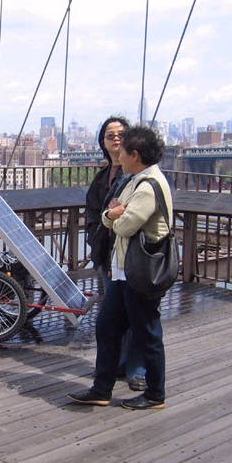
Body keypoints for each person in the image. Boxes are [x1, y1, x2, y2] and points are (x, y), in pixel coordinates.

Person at [69, 124, 172, 410]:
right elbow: (112, 212)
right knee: (107, 326)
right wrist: (112, 213)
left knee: (147, 332)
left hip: (140, 274)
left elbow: (124, 226)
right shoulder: (135, 180)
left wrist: (113, 215)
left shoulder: (148, 186)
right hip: (123, 271)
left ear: (135, 155)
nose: (119, 155)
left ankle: (155, 394)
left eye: (124, 151)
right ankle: (102, 388)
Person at [84, 117, 145, 390]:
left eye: (121, 134)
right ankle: (120, 365)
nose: (116, 139)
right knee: (114, 313)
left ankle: (138, 371)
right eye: (110, 135)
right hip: (108, 255)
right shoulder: (101, 178)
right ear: (102, 142)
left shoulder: (137, 176)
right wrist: (96, 245)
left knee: (135, 314)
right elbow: (92, 216)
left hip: (132, 255)